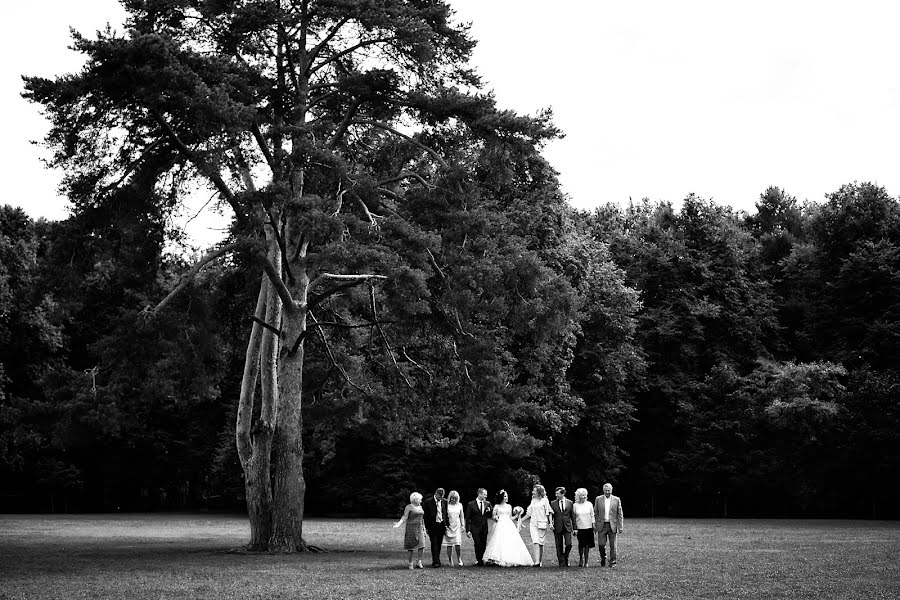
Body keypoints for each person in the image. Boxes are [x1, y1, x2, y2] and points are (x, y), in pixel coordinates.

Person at [482, 489, 534, 567]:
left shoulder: (509, 506)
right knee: (499, 541)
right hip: (500, 525)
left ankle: (511, 558)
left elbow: (510, 518)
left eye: (507, 496)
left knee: (510, 540)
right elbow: (493, 516)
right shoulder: (497, 506)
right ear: (501, 497)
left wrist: (517, 515)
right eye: (505, 496)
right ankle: (498, 558)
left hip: (509, 524)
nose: (507, 497)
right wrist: (496, 518)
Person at [520, 484, 552, 566]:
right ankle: (537, 562)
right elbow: (529, 513)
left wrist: (550, 523)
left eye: (534, 491)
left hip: (542, 523)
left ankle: (539, 561)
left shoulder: (545, 500)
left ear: (539, 492)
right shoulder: (533, 501)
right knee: (535, 541)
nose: (533, 492)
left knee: (541, 543)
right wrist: (520, 520)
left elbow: (548, 512)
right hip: (533, 524)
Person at [593, 482, 624, 567]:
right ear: (603, 490)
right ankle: (603, 557)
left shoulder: (617, 499)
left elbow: (619, 514)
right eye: (606, 490)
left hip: (612, 525)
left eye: (609, 490)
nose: (607, 492)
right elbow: (595, 512)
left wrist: (620, 526)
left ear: (611, 490)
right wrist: (594, 525)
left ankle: (613, 562)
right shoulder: (598, 499)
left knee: (613, 545)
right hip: (601, 525)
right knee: (601, 544)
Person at [393, 491, 426, 569]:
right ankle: (410, 563)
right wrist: (399, 523)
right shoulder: (409, 507)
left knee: (422, 545)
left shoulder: (420, 507)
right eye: (420, 500)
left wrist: (424, 529)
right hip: (411, 529)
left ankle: (419, 561)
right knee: (410, 547)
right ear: (416, 500)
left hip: (420, 528)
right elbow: (405, 516)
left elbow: (422, 519)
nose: (421, 501)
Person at [421, 487, 448, 567]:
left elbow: (445, 513)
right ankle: (435, 561)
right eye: (439, 497)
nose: (440, 499)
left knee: (439, 543)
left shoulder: (444, 501)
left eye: (442, 497)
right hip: (432, 526)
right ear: (435, 494)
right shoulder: (428, 502)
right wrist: (426, 527)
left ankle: (437, 559)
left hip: (441, 525)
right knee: (434, 543)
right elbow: (425, 516)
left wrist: (446, 524)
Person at [465, 488, 492, 566]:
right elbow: (468, 517)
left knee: (483, 543)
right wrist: (468, 530)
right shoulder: (471, 504)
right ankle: (479, 560)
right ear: (479, 494)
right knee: (477, 543)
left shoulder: (487, 503)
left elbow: (492, 514)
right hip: (475, 528)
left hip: (484, 527)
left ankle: (482, 558)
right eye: (484, 494)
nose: (486, 496)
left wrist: (489, 511)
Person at [550, 486, 574, 567]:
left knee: (569, 544)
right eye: (556, 493)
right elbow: (551, 515)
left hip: (567, 526)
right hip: (557, 526)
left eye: (558, 493)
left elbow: (572, 516)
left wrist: (575, 528)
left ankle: (565, 557)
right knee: (558, 545)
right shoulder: (553, 503)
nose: (556, 495)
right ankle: (561, 561)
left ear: (563, 494)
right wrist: (550, 524)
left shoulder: (570, 503)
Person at [442, 490, 466, 567]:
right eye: (452, 498)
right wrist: (445, 526)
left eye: (455, 498)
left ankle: (459, 559)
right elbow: (444, 516)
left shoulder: (460, 505)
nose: (453, 500)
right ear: (450, 498)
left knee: (458, 543)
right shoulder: (446, 505)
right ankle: (450, 560)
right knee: (449, 544)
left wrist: (463, 525)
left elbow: (462, 516)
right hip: (449, 526)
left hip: (457, 526)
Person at [572, 487, 595, 567]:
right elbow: (573, 518)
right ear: (578, 496)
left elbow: (592, 515)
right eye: (582, 495)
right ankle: (581, 558)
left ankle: (586, 561)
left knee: (587, 545)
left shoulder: (589, 504)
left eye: (585, 495)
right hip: (580, 528)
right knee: (581, 545)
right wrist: (574, 528)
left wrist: (593, 524)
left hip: (588, 527)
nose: (584, 497)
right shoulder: (575, 505)